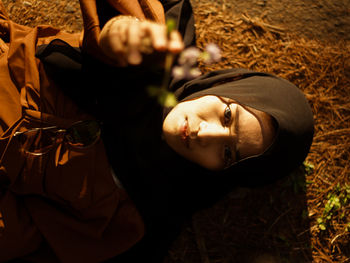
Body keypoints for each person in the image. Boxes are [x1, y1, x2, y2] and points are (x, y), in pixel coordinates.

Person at [0, 0, 314, 262]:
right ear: (227, 88)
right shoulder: (166, 46)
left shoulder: (143, 216)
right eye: (228, 115)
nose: (208, 135)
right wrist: (115, 31)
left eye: (229, 154)